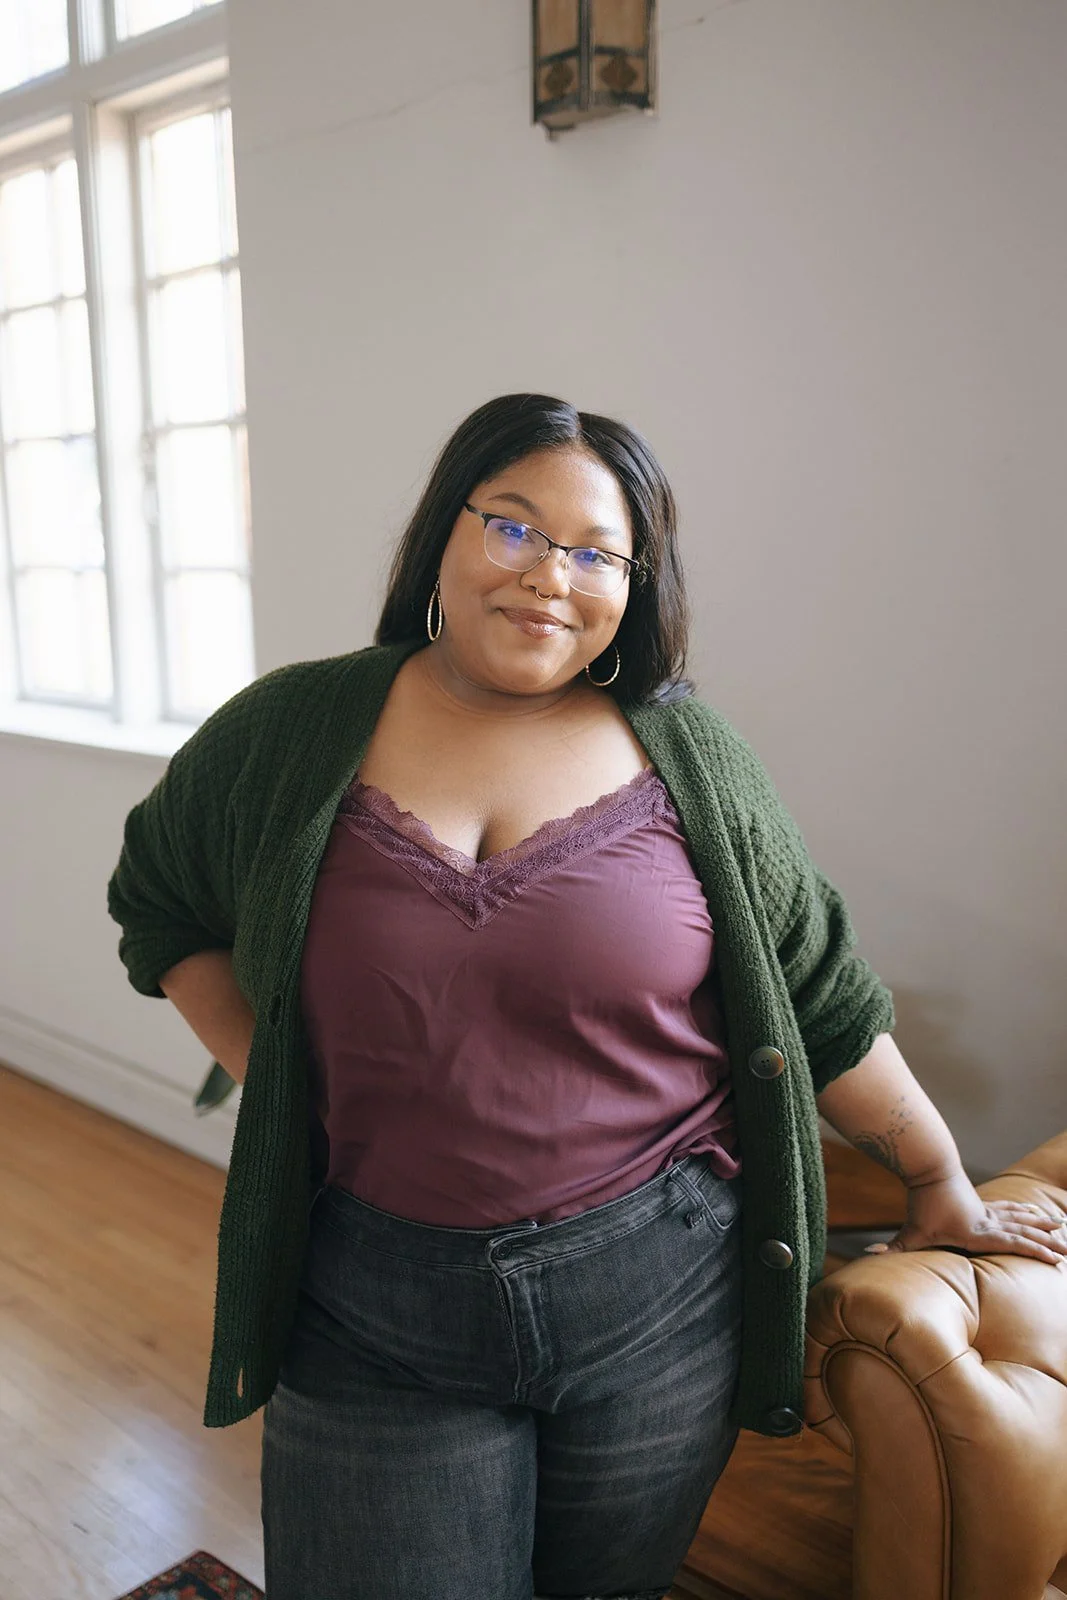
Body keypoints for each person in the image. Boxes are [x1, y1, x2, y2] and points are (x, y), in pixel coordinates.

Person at [106, 393, 1067, 1600]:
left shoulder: (689, 757)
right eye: (510, 527)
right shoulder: (290, 730)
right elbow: (163, 904)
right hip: (371, 1306)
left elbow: (816, 993)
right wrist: (275, 1077)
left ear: (632, 583)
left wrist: (935, 1178)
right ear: (441, 535)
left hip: (656, 1298)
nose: (546, 576)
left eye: (594, 551)